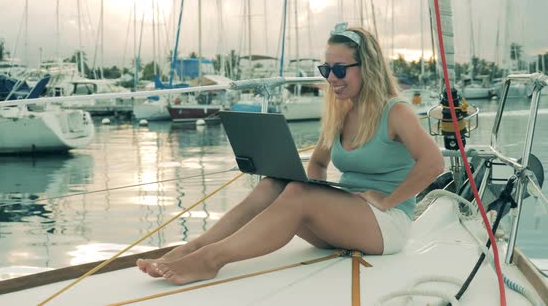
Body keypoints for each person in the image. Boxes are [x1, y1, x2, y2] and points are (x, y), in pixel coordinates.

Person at [136, 22, 445, 285]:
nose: (331, 78)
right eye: (326, 69)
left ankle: (210, 259)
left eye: (340, 69)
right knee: (274, 184)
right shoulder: (341, 113)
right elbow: (319, 163)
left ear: (368, 67)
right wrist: (319, 194)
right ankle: (196, 246)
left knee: (297, 193)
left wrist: (386, 200)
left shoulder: (396, 111)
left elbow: (433, 163)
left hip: (386, 224)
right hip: (349, 219)